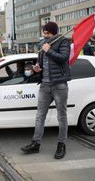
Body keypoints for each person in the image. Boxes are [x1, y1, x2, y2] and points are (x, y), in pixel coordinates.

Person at [21, 21, 71, 159]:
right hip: (45, 85)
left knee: (61, 116)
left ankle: (61, 145)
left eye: (47, 33)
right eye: (44, 33)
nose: (45, 35)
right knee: (40, 115)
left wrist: (49, 50)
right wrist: (37, 68)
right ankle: (35, 143)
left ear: (54, 33)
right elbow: (40, 63)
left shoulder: (63, 42)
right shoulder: (43, 45)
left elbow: (63, 59)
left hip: (59, 85)